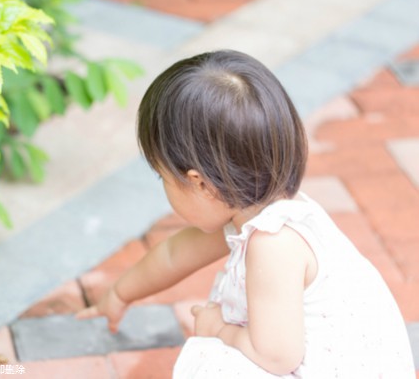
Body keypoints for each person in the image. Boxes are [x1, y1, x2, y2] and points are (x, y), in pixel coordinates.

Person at [77, 50, 415, 378]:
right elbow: (173, 255)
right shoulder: (255, 208)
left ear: (201, 184)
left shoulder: (274, 241)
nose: (163, 187)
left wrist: (219, 330)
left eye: (162, 177)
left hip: (305, 361)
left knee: (213, 364)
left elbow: (278, 356)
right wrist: (120, 294)